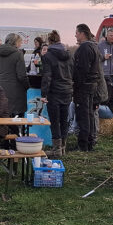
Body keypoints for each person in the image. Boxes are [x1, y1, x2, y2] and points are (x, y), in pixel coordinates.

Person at [72, 24, 107, 152]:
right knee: (90, 114)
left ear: (82, 33)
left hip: (84, 86)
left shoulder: (84, 48)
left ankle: (83, 144)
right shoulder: (94, 46)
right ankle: (90, 141)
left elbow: (82, 70)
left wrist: (75, 85)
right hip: (92, 85)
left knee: (84, 115)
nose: (75, 35)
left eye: (76, 33)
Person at [40, 29, 73, 158]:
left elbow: (47, 76)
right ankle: (63, 147)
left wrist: (44, 94)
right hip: (67, 89)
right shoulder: (68, 54)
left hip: (55, 91)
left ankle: (56, 149)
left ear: (49, 42)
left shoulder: (48, 56)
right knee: (64, 120)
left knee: (55, 121)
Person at [0, 32, 29, 116]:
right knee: (17, 118)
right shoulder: (18, 54)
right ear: (16, 42)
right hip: (16, 91)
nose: (21, 44)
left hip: (1, 88)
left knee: (4, 115)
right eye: (20, 42)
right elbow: (22, 76)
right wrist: (27, 86)